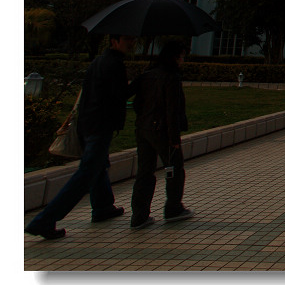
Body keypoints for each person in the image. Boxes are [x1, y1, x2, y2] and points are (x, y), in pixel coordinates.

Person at [25, 34, 134, 240]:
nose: (132, 42)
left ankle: (103, 206)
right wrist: (138, 83)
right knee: (86, 173)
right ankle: (44, 220)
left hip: (88, 124)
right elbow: (119, 96)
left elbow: (88, 95)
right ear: (114, 41)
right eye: (127, 39)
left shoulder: (97, 62)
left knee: (98, 165)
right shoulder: (114, 64)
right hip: (100, 125)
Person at [129, 39, 193, 228]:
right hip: (162, 131)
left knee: (144, 171)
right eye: (181, 56)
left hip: (143, 129)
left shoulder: (146, 75)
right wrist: (174, 138)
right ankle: (173, 208)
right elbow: (171, 110)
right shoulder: (171, 77)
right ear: (174, 57)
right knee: (174, 168)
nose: (182, 60)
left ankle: (139, 215)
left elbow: (135, 103)